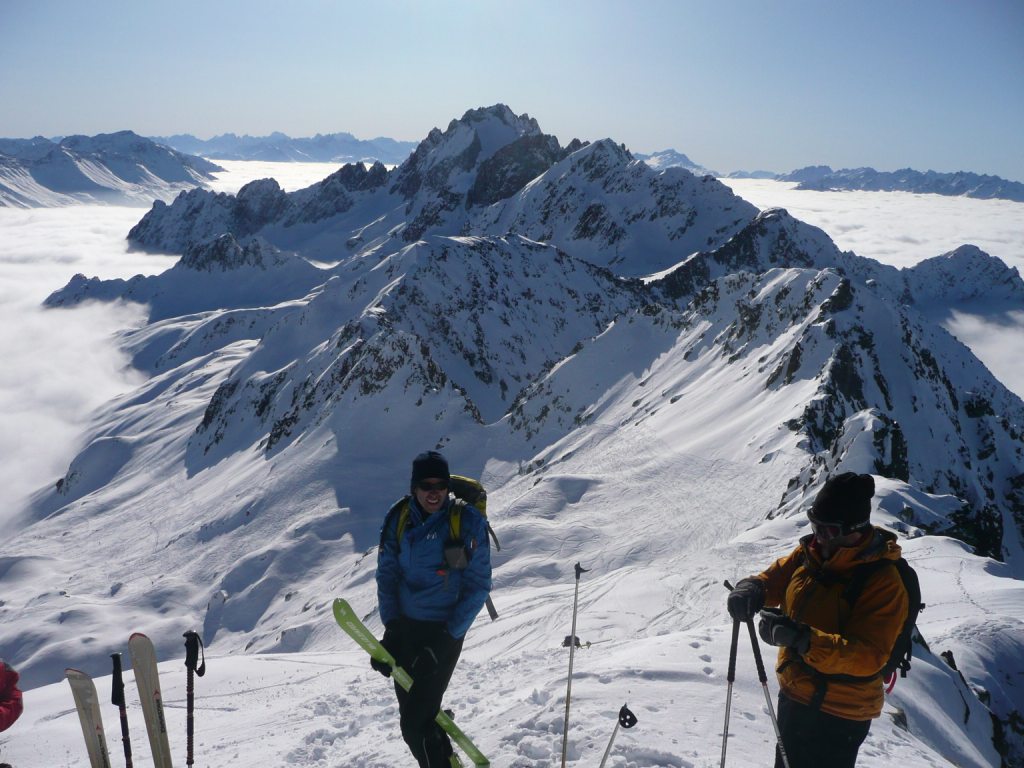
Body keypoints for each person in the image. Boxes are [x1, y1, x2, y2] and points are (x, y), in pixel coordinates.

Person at [726, 472, 909, 768]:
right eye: (815, 526)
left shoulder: (883, 582)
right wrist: (755, 588)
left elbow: (868, 655)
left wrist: (803, 639)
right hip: (798, 693)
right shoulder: (814, 552)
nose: (818, 537)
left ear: (855, 530)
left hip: (839, 711)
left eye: (828, 530)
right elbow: (780, 576)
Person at [374, 450, 492, 767]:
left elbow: (477, 585)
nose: (433, 491)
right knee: (416, 719)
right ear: (415, 487)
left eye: (439, 484)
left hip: (445, 631)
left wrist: (444, 640)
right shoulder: (398, 518)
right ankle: (445, 757)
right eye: (426, 485)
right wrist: (393, 628)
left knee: (414, 725)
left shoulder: (464, 522)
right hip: (407, 630)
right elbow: (387, 576)